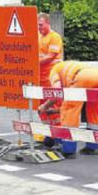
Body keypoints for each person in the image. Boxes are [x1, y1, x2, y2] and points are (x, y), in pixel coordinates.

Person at [38, 61, 98, 158]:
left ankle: (69, 150)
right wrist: (54, 110)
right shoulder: (67, 66)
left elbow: (56, 92)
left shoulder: (53, 71)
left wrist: (44, 107)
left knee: (70, 109)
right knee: (93, 110)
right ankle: (92, 147)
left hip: (84, 77)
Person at [36, 13, 64, 144]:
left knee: (54, 108)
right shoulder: (38, 37)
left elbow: (51, 56)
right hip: (40, 79)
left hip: (51, 79)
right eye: (37, 25)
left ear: (48, 23)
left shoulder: (54, 37)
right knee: (42, 108)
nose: (39, 27)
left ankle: (58, 136)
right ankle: (48, 135)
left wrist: (34, 63)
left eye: (41, 25)